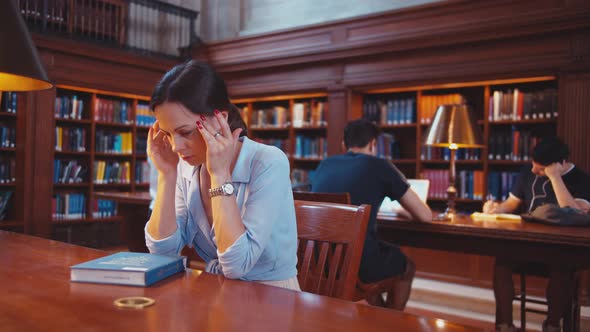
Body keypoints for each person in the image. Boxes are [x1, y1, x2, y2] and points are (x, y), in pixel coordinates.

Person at [144, 60, 300, 290]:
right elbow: (162, 251)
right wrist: (167, 175)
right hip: (218, 293)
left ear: (220, 119)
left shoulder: (268, 162)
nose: (175, 147)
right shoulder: (187, 166)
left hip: (272, 298)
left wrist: (219, 174)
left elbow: (237, 265)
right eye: (167, 134)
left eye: (185, 132)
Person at [311, 119, 432, 310]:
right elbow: (425, 216)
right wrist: (401, 210)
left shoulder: (325, 164)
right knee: (406, 266)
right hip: (357, 265)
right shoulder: (379, 165)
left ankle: (380, 318)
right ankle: (390, 322)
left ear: (344, 145)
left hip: (319, 260)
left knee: (373, 255)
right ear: (374, 144)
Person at [483, 136, 590, 332]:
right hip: (528, 243)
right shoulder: (527, 172)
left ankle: (551, 326)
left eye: (540, 169)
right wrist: (496, 209)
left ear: (561, 163)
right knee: (502, 261)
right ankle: (504, 325)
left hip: (561, 248)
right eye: (533, 165)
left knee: (562, 266)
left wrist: (554, 177)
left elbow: (577, 213)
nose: (534, 171)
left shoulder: (582, 179)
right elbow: (511, 204)